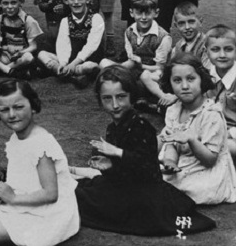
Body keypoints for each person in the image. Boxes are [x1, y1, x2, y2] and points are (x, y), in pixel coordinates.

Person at [73, 66, 216, 236]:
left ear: (131, 96)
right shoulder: (113, 127)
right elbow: (122, 172)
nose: (115, 105)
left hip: (144, 194)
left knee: (87, 201)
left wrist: (117, 153)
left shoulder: (141, 127)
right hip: (124, 187)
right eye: (107, 99)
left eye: (121, 97)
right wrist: (109, 166)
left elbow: (147, 170)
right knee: (84, 193)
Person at [0, 79, 79, 246]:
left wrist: (12, 198)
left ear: (33, 106)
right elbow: (22, 178)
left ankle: (7, 221)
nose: (11, 115)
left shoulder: (41, 144)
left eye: (18, 107)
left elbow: (50, 194)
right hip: (20, 196)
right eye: (4, 109)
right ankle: (1, 215)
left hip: (45, 215)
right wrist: (7, 191)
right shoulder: (16, 137)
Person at [158, 53, 236, 204]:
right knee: (158, 177)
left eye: (191, 79)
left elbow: (210, 160)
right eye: (177, 80)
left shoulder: (211, 114)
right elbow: (171, 144)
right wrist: (170, 161)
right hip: (184, 162)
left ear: (202, 80)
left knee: (201, 189)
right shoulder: (173, 110)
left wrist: (191, 139)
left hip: (206, 168)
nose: (185, 86)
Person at [141, 2, 210, 110]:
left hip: (197, 86)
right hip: (180, 83)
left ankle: (163, 106)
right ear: (175, 25)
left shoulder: (206, 46)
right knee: (146, 76)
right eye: (182, 23)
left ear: (200, 22)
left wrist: (175, 94)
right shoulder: (178, 46)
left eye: (191, 22)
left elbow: (207, 78)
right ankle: (165, 99)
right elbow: (170, 72)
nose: (187, 27)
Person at [38, 0, 103, 88]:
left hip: (89, 58)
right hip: (70, 59)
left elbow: (91, 45)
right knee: (42, 54)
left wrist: (74, 64)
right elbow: (63, 44)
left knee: (92, 66)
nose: (76, 2)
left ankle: (67, 73)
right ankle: (65, 72)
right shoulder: (65, 21)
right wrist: (63, 63)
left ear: (87, 0)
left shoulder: (96, 18)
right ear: (66, 1)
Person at [99, 0, 171, 80]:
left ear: (156, 13)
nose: (143, 17)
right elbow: (131, 60)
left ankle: (117, 77)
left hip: (151, 71)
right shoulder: (129, 32)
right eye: (139, 13)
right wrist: (129, 65)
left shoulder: (163, 37)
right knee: (104, 62)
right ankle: (121, 77)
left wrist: (140, 66)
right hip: (133, 70)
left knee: (155, 76)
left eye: (148, 13)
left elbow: (160, 68)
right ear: (131, 13)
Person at [205, 24, 236, 158]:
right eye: (215, 49)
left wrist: (230, 133)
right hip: (210, 129)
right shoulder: (205, 76)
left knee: (229, 147)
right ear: (207, 52)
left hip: (232, 134)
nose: (222, 55)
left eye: (228, 49)